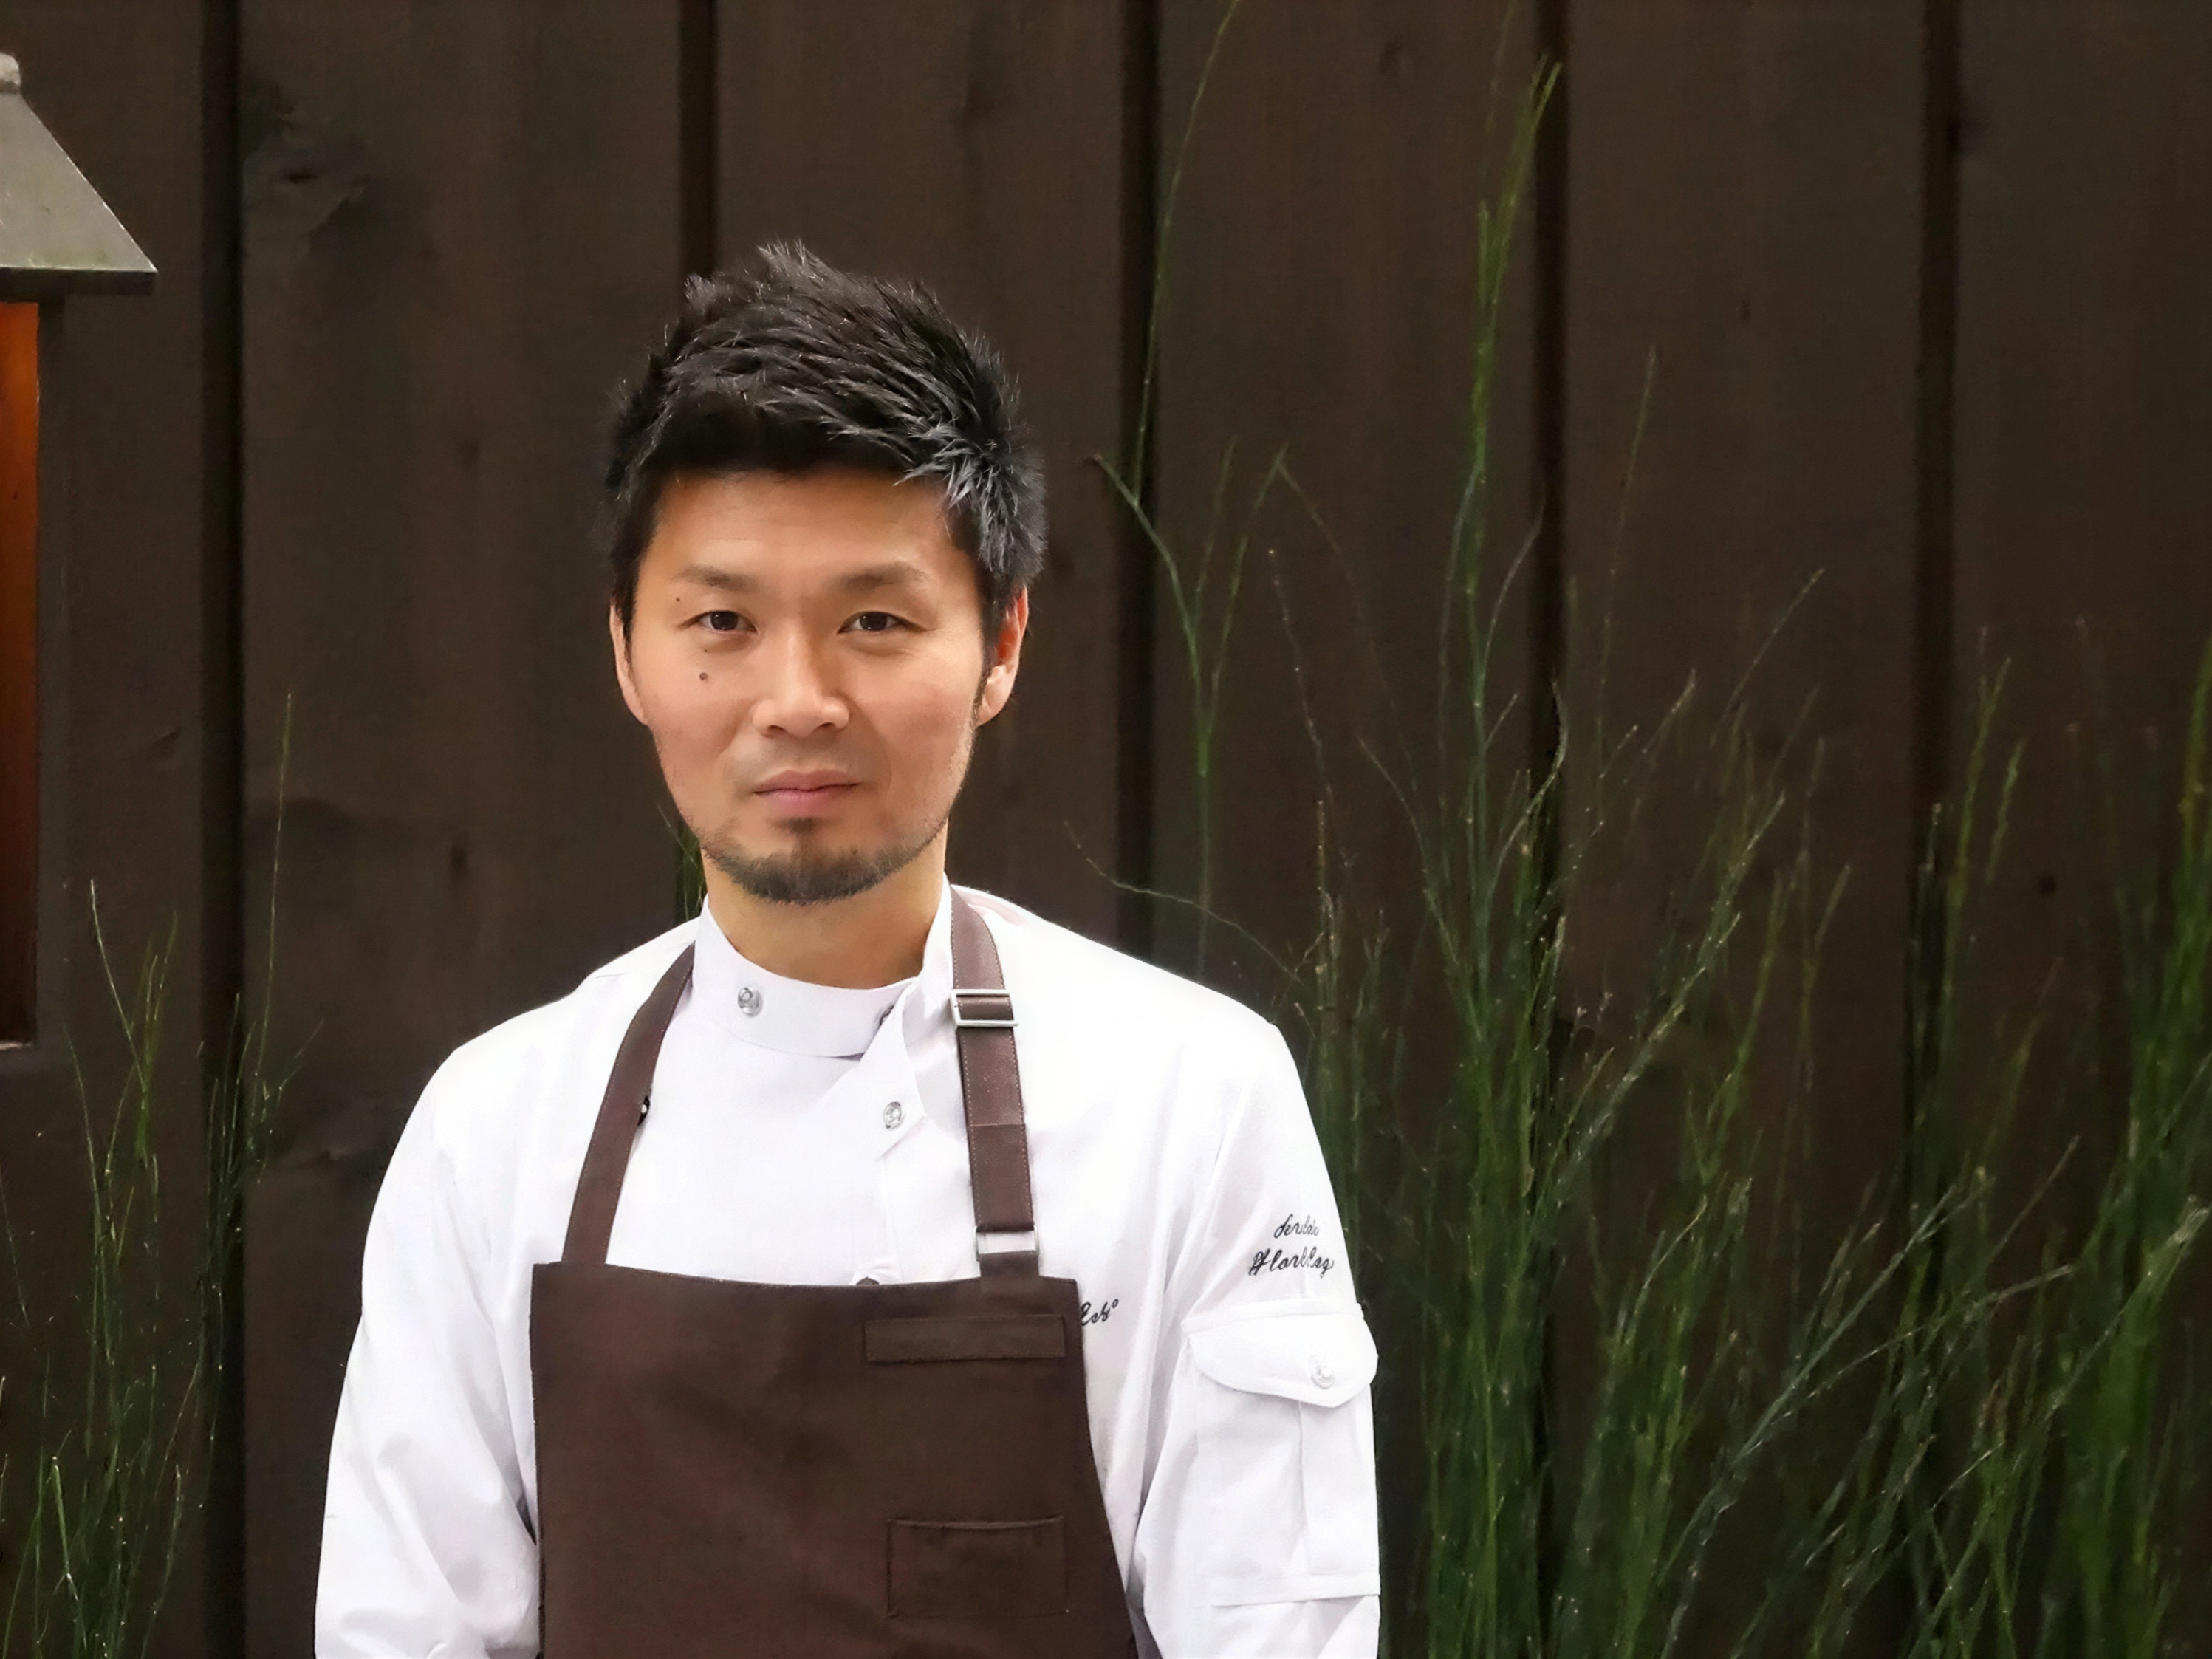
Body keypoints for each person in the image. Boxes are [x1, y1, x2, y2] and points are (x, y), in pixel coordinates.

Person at [313, 241, 1380, 1658]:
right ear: (627, 650)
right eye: (723, 623)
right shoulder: (496, 1128)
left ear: (1001, 641)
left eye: (875, 620)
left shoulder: (1194, 1100)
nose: (796, 699)